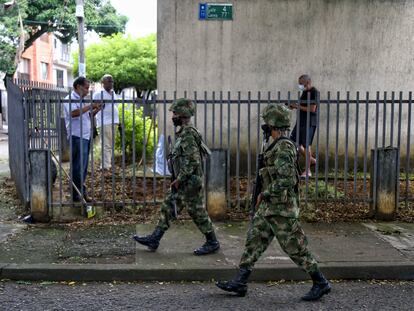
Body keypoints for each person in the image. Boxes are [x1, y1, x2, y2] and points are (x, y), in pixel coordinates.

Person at [216, 104, 331, 301]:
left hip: (281, 209)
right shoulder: (275, 145)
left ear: (273, 124)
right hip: (270, 207)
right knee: (254, 240)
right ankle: (240, 281)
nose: (265, 126)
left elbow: (287, 180)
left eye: (267, 123)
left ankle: (320, 282)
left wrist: (265, 193)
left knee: (295, 247)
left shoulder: (284, 147)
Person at [133, 98, 220, 256]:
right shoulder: (184, 132)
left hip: (190, 181)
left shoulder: (187, 134)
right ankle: (155, 238)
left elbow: (192, 161)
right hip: (186, 180)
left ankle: (212, 242)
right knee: (169, 206)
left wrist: (180, 179)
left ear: (183, 115)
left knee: (196, 210)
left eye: (175, 113)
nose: (173, 116)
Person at [64, 76, 102, 202]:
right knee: (78, 166)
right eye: (85, 88)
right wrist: (90, 106)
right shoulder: (69, 99)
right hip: (77, 136)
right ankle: (77, 194)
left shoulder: (82, 100)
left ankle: (80, 192)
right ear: (78, 87)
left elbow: (87, 115)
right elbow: (73, 113)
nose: (87, 91)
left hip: (85, 136)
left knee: (83, 166)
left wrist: (96, 110)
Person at [289, 74, 318, 177]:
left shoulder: (314, 92)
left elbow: (312, 109)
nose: (300, 85)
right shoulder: (304, 92)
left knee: (306, 145)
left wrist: (297, 106)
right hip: (301, 122)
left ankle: (308, 171)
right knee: (293, 141)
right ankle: (311, 160)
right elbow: (303, 106)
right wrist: (294, 106)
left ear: (308, 82)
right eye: (299, 83)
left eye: (301, 83)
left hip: (309, 122)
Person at [92, 74, 120, 171]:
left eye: (112, 81)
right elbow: (93, 108)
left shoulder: (113, 92)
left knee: (111, 144)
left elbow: (115, 106)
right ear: (102, 83)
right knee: (106, 144)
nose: (111, 83)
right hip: (105, 122)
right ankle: (104, 166)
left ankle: (108, 164)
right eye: (109, 81)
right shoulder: (98, 93)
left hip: (114, 121)